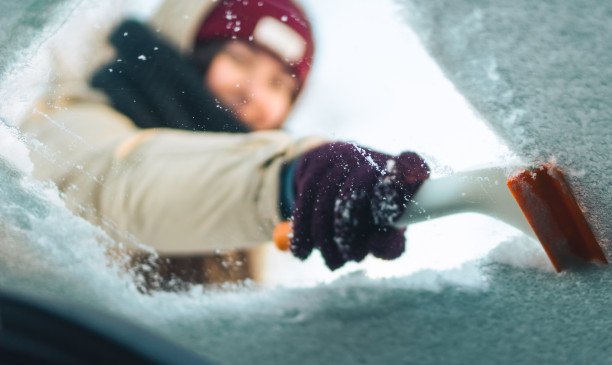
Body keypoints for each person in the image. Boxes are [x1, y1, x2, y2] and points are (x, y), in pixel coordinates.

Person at [21, 0, 429, 291]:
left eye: (279, 85)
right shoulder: (68, 119)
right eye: (238, 59)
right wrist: (286, 180)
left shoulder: (256, 224)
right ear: (188, 48)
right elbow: (123, 185)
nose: (254, 92)